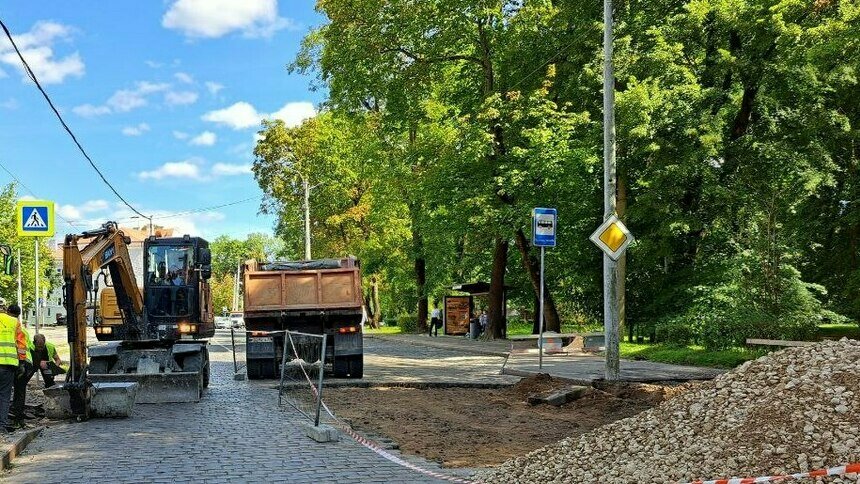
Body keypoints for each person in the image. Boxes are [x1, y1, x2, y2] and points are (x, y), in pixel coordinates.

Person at [0, 302, 29, 433]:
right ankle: (2, 425)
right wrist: (21, 363)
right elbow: (21, 345)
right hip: (8, 364)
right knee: (4, 395)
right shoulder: (14, 322)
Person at [9, 305, 35, 429]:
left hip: (20, 363)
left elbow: (20, 348)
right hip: (26, 363)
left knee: (15, 391)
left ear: (8, 313)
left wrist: (21, 364)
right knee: (20, 392)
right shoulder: (21, 328)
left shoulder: (13, 327)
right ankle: (18, 418)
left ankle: (16, 418)